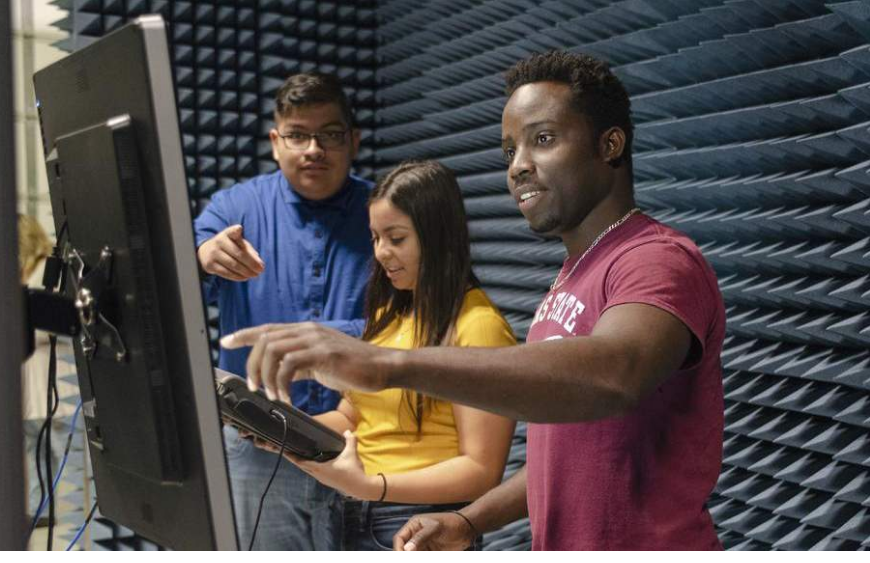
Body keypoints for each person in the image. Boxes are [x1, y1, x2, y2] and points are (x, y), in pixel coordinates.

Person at [224, 51, 727, 550]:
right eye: (509, 151)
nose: (519, 167)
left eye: (543, 140)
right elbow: (564, 455)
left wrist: (386, 364)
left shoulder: (657, 260)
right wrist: (469, 522)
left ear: (610, 145)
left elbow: (617, 375)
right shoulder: (575, 275)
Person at [248, 160, 516, 550]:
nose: (381, 252)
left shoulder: (479, 327)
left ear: (437, 236)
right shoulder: (388, 317)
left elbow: (482, 470)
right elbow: (354, 415)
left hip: (418, 526)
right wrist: (285, 429)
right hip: (349, 513)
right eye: (375, 238)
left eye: (396, 238)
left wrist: (374, 486)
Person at [193, 72, 373, 550]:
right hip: (257, 448)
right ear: (276, 142)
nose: (313, 148)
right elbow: (172, 281)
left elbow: (424, 318)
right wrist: (200, 257)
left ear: (353, 140)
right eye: (297, 134)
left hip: (368, 436)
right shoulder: (234, 208)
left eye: (330, 134)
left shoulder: (386, 212)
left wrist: (331, 335)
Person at [18, 214, 78, 526]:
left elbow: (59, 323)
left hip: (52, 384)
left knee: (47, 450)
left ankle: (40, 511)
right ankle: (31, 510)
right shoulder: (24, 271)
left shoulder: (47, 271)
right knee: (33, 451)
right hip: (29, 386)